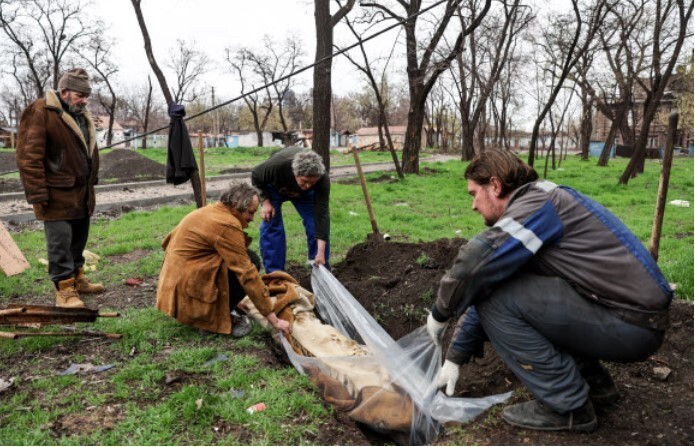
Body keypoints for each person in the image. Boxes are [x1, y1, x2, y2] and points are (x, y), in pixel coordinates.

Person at [426, 149, 672, 432]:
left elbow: (475, 264)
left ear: (495, 185)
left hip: (632, 324)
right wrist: (455, 357)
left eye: (474, 194)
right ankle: (596, 386)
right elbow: (493, 279)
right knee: (507, 292)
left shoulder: (537, 207)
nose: (473, 206)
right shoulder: (539, 203)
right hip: (630, 317)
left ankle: (568, 406)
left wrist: (440, 313)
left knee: (496, 301)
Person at [15, 68, 104, 308]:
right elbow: (28, 157)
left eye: (87, 95)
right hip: (55, 194)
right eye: (79, 95)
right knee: (60, 244)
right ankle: (64, 290)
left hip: (82, 192)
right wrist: (37, 193)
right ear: (64, 91)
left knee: (78, 240)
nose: (84, 100)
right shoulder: (41, 111)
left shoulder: (80, 114)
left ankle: (76, 279)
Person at [156, 182, 291, 337]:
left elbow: (165, 242)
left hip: (170, 289)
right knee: (251, 261)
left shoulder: (210, 210)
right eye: (250, 212)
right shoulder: (227, 224)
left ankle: (224, 305)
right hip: (186, 293)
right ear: (235, 204)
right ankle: (209, 322)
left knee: (244, 257)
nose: (252, 218)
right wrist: (275, 320)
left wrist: (232, 299)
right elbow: (247, 274)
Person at [251, 147, 330, 273]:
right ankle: (275, 275)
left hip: (304, 196)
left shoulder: (322, 179)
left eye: (312, 182)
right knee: (272, 223)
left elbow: (321, 215)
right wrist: (265, 202)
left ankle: (320, 268)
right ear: (295, 173)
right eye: (305, 181)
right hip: (275, 187)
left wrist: (321, 252)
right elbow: (256, 175)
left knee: (314, 223)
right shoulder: (277, 166)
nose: (308, 186)